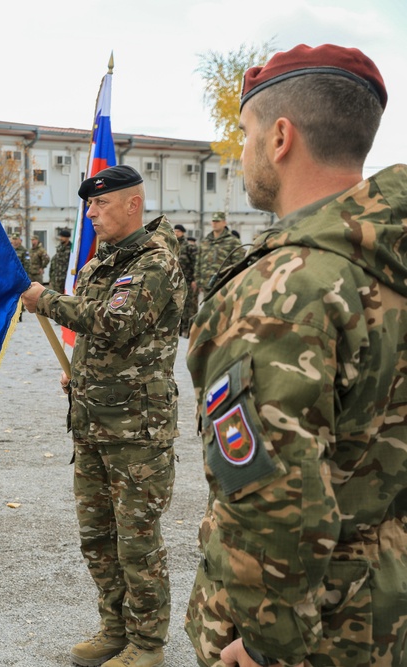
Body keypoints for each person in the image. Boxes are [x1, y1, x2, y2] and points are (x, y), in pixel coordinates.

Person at [185, 44, 407, 667]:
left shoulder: (284, 290)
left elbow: (274, 496)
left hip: (320, 637)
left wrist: (266, 646)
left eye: (248, 132)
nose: (245, 152)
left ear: (280, 137)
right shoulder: (390, 260)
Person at [21, 165, 184, 667]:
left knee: (136, 541)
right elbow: (96, 339)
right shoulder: (102, 264)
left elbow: (115, 322)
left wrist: (43, 299)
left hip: (136, 429)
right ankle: (115, 630)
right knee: (97, 537)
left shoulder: (155, 262)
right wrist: (82, 375)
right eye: (89, 205)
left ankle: (148, 644)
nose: (90, 214)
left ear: (132, 204)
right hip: (93, 420)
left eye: (100, 204)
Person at [196, 211, 241, 298]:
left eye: (217, 221)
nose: (214, 224)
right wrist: (198, 281)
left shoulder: (233, 241)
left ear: (224, 223)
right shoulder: (205, 241)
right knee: (207, 310)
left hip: (224, 284)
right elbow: (198, 262)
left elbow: (238, 264)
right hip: (207, 284)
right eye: (213, 221)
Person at [173, 224, 198, 336]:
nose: (176, 233)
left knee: (189, 305)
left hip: (187, 280)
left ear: (183, 232)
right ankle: (178, 329)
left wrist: (194, 279)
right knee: (176, 305)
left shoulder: (189, 247)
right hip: (174, 280)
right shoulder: (172, 245)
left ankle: (188, 329)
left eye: (178, 231)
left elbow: (195, 263)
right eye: (175, 231)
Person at [49, 227, 72, 293]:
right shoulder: (59, 248)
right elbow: (55, 262)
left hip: (66, 279)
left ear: (67, 238)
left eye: (63, 237)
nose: (61, 238)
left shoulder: (71, 249)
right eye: (61, 236)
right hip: (56, 278)